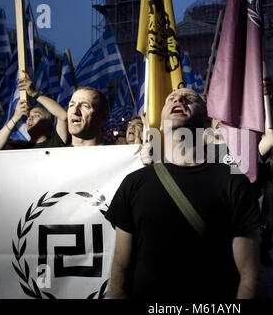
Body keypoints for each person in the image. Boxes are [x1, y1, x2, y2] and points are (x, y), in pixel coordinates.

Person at [105, 88, 262, 299]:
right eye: (170, 99)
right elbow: (121, 266)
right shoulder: (134, 183)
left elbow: (249, 275)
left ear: (206, 124)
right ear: (159, 124)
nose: (178, 100)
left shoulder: (233, 182)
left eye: (189, 99)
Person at [0, 71, 69, 150]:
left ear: (49, 123)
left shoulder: (56, 143)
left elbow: (63, 116)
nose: (30, 119)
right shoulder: (20, 147)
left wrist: (34, 93)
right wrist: (15, 117)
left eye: (37, 115)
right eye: (28, 116)